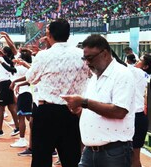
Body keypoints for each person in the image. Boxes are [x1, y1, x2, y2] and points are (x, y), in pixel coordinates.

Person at [23, 19, 90, 167]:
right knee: (71, 158)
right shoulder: (82, 55)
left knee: (41, 159)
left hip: (47, 111)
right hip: (73, 111)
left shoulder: (43, 55)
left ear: (49, 34)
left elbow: (30, 78)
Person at [62, 34, 136, 167]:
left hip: (114, 152)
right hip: (90, 151)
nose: (87, 63)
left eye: (90, 58)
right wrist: (79, 109)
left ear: (105, 54)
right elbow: (93, 109)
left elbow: (119, 112)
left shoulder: (122, 74)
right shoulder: (94, 78)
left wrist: (84, 102)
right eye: (85, 58)